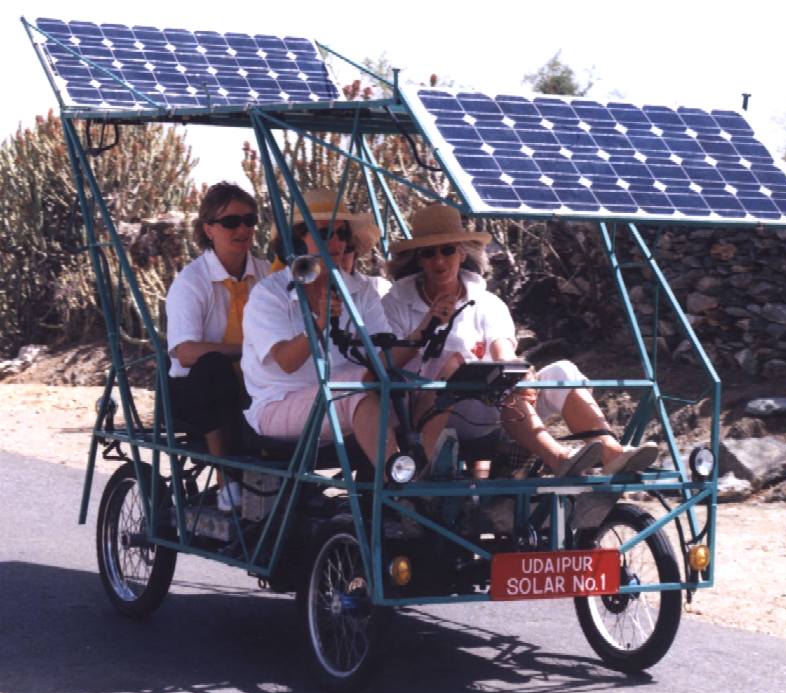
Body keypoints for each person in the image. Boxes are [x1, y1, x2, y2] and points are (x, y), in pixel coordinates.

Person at [382, 202, 658, 478]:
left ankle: (611, 452)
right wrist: (427, 325)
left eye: (447, 250)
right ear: (418, 258)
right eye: (429, 253)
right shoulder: (395, 303)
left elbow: (503, 352)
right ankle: (558, 458)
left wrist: (518, 372)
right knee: (455, 363)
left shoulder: (487, 303)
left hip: (486, 412)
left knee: (559, 371)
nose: (439, 261)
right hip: (426, 411)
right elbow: (385, 364)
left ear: (462, 251)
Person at [241, 188, 446, 474]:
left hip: (347, 396)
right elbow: (287, 362)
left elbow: (382, 360)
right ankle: (401, 484)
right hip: (280, 403)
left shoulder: (361, 291)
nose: (336, 243)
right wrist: (319, 323)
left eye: (342, 235)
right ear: (297, 244)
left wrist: (424, 328)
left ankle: (433, 471)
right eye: (325, 234)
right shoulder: (269, 294)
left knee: (439, 368)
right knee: (355, 390)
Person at [166, 182, 271, 510]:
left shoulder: (267, 273)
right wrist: (247, 351)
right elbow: (184, 352)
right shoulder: (191, 281)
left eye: (249, 221)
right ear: (208, 229)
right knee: (214, 366)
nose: (242, 229)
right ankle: (225, 478)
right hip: (196, 391)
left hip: (254, 381)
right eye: (231, 222)